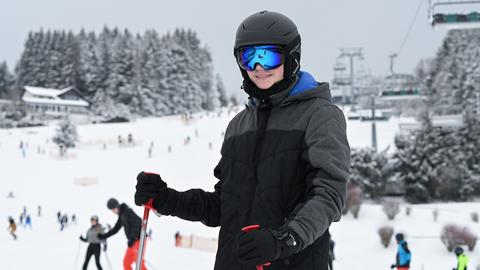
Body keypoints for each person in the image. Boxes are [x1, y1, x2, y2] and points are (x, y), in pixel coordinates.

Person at [134, 10, 350, 270]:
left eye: (268, 56)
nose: (258, 68)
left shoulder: (319, 116)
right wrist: (167, 199)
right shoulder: (239, 125)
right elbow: (223, 206)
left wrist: (284, 240)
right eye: (249, 57)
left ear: (291, 57)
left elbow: (328, 195)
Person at [97, 198, 146, 270]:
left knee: (138, 261)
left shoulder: (128, 211)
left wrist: (132, 238)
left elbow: (138, 223)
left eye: (113, 209)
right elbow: (116, 229)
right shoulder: (121, 215)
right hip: (132, 241)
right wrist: (104, 236)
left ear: (116, 206)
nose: (113, 211)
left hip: (139, 239)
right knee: (126, 262)